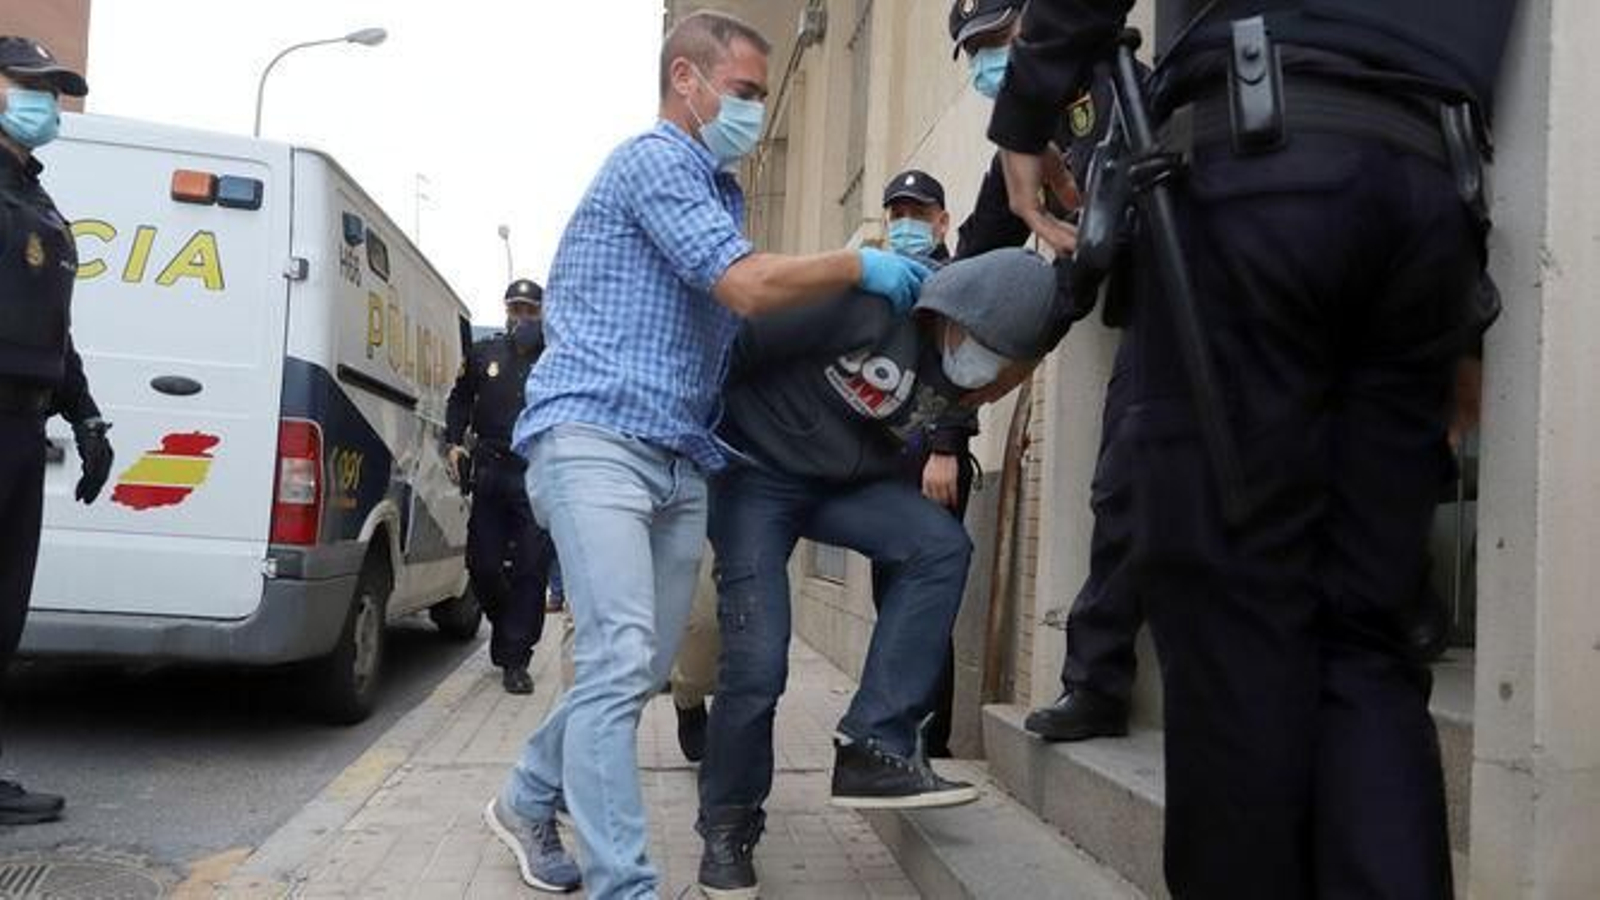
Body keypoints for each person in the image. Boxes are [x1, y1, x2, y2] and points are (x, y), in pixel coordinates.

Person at [988, 1, 1518, 896]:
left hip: (1265, 169)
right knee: (1368, 638)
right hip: (1432, 198)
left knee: (1237, 625)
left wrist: (1028, 107)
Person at [482, 11, 933, 898]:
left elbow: (740, 335)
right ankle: (629, 886)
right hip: (595, 441)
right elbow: (745, 283)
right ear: (685, 81)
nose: (756, 112)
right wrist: (855, 265)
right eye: (746, 92)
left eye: (764, 96)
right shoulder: (654, 161)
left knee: (643, 668)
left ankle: (528, 795)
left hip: (679, 457)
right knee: (618, 661)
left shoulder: (718, 189)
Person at [697, 247, 1066, 898]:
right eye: (985, 345)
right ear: (957, 314)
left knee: (940, 546)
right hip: (756, 477)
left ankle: (874, 744)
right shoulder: (865, 306)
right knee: (757, 663)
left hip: (844, 489)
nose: (987, 368)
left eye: (1003, 359)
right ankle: (728, 823)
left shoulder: (960, 381)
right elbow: (732, 352)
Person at [949, 0, 1140, 742]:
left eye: (998, 41)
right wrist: (945, 411)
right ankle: (1096, 685)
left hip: (1204, 289)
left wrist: (1034, 340)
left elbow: (1095, 237)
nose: (989, 63)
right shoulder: (1020, 144)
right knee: (1123, 488)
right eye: (975, 53)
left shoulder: (1111, 81)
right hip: (1147, 324)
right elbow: (978, 255)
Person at [0, 36, 113, 826]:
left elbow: (53, 332)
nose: (46, 100)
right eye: (29, 84)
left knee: (3, 612)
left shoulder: (34, 199)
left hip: (21, 424)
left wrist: (87, 415)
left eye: (53, 88)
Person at [867, 168, 974, 759]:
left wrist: (945, 447)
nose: (907, 225)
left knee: (928, 603)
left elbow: (963, 371)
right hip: (885, 465)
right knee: (893, 601)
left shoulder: (956, 280)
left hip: (933, 463)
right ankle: (898, 729)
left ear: (942, 221)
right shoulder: (889, 283)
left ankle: (932, 741)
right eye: (897, 214)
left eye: (918, 213)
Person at [445, 279, 555, 695]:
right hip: (490, 470)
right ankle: (508, 621)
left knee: (530, 567)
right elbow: (458, 399)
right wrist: (454, 442)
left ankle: (515, 659)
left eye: (530, 311)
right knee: (483, 565)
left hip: (535, 472)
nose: (522, 318)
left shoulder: (556, 358)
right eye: (516, 309)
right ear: (506, 311)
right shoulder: (484, 353)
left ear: (542, 313)